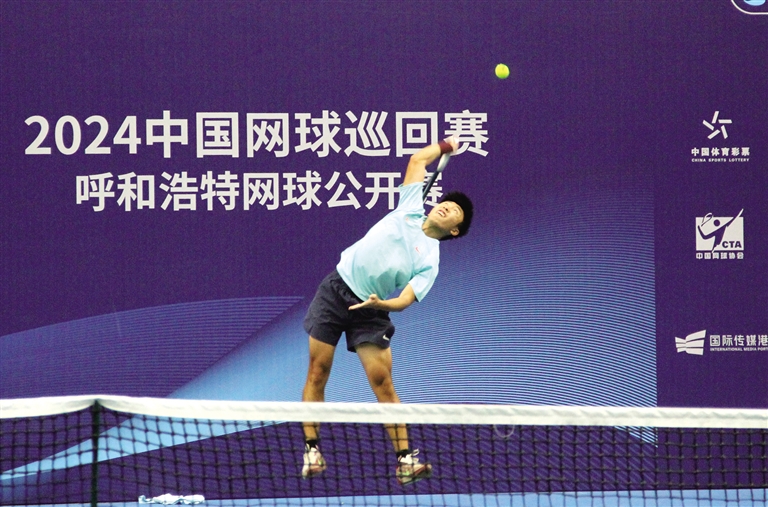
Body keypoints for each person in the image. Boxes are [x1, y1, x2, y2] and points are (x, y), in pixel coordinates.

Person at [300, 136, 473, 486]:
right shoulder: (410, 206)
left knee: (383, 383)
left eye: (455, 211)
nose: (446, 207)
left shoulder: (430, 261)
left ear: (454, 230)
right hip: (336, 290)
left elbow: (405, 300)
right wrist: (445, 145)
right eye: (445, 202)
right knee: (318, 371)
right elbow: (417, 160)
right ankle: (312, 451)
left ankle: (405, 461)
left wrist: (381, 305)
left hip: (371, 308)